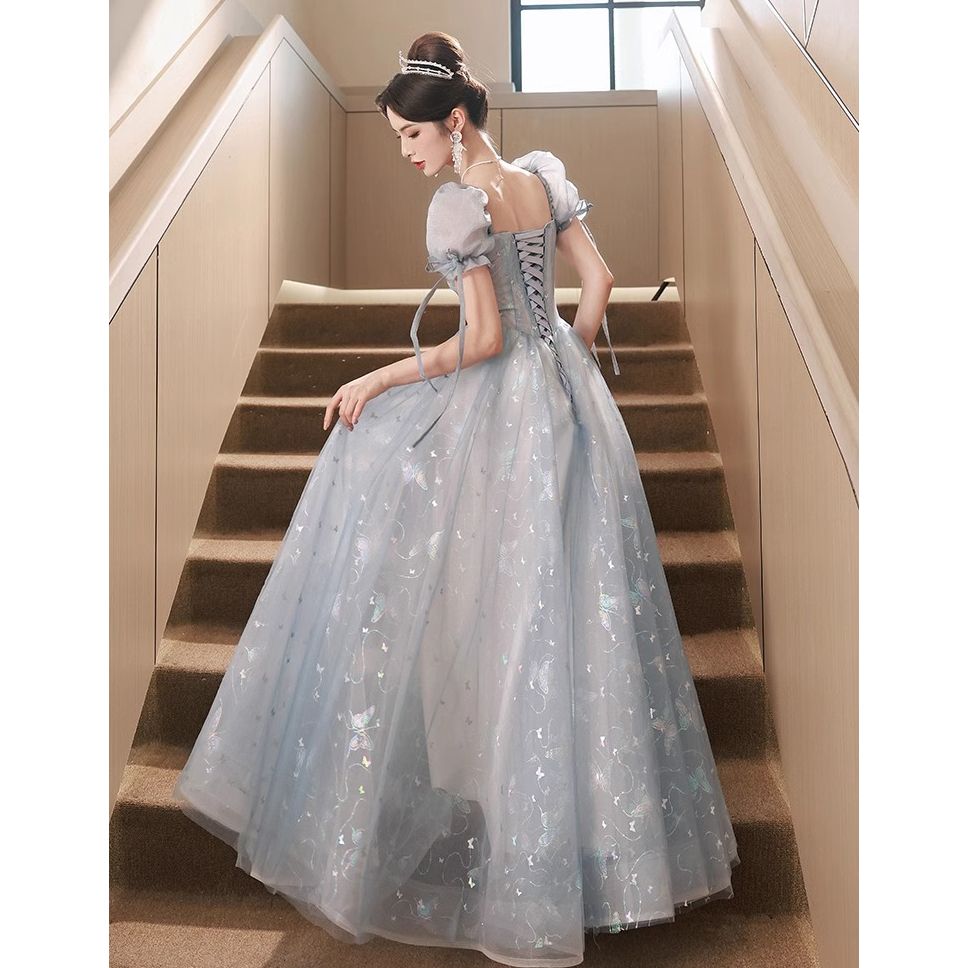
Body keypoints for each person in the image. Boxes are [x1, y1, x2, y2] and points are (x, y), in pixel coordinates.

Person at [172, 29, 739, 967]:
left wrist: (379, 378)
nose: (406, 152)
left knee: (505, 619)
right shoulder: (543, 178)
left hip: (504, 419)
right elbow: (596, 283)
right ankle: (584, 849)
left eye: (411, 134)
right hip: (571, 404)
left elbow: (480, 342)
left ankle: (521, 856)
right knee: (572, 612)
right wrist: (569, 360)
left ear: (456, 122)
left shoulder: (458, 205)